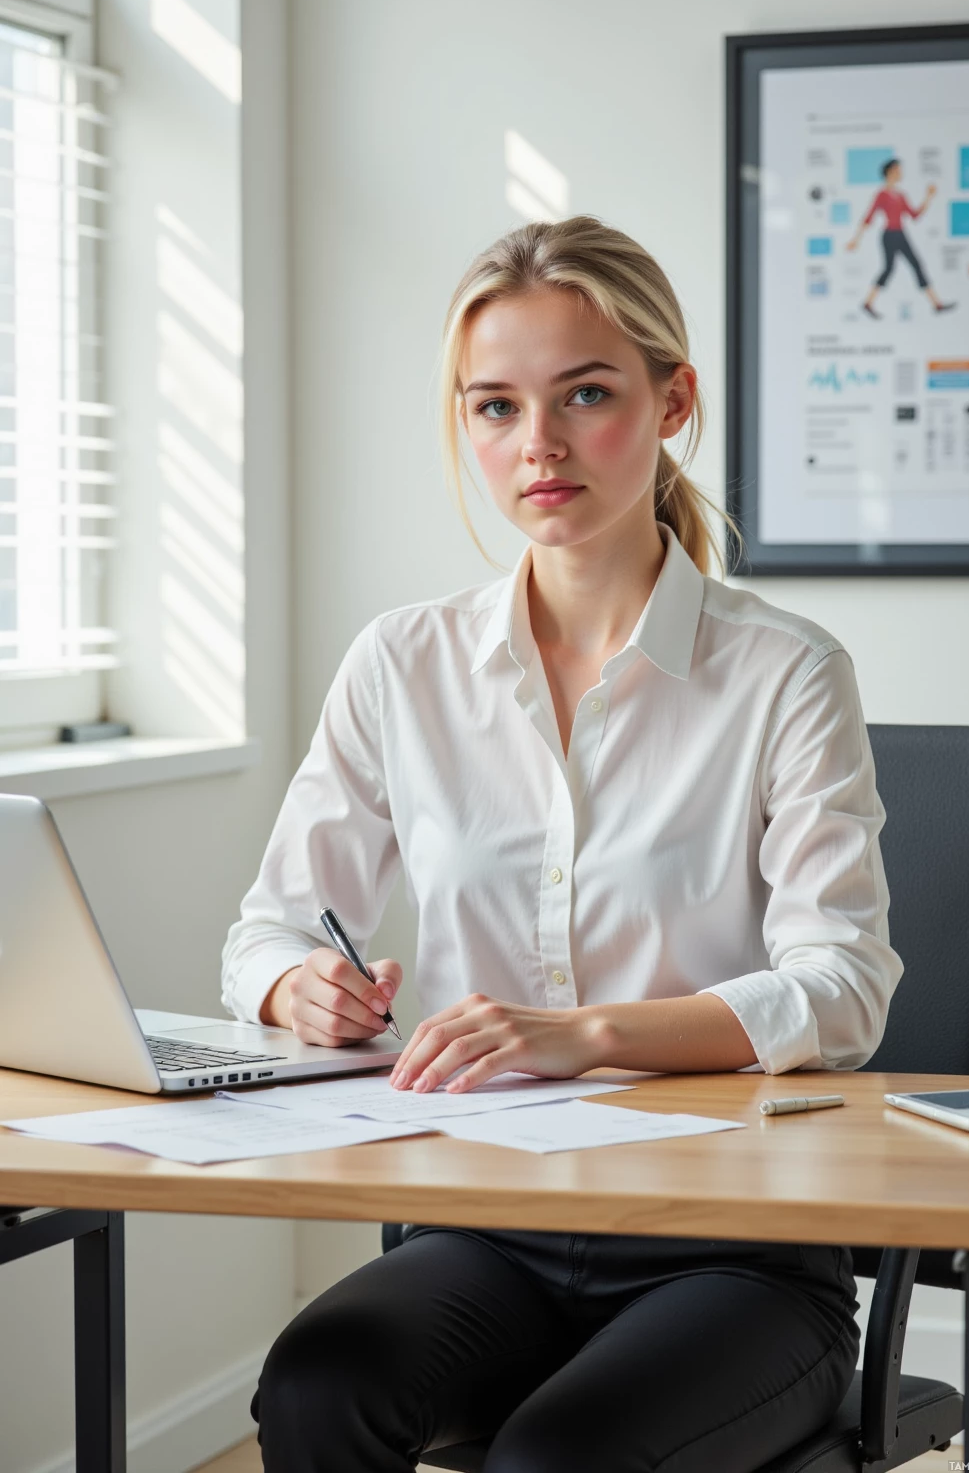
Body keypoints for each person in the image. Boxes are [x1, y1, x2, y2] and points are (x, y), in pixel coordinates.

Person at [222, 215, 903, 1472]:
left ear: (670, 402)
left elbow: (843, 990)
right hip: (482, 1227)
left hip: (735, 1250)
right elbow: (266, 927)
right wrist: (294, 983)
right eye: (493, 407)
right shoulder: (401, 663)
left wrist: (579, 1035)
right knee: (316, 1386)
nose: (534, 445)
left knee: (557, 1458)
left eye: (584, 394)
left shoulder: (786, 672)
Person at [847, 156, 955, 318]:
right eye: (897, 170)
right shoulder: (882, 194)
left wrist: (928, 197)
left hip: (901, 234)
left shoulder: (900, 195)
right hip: (889, 235)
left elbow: (915, 215)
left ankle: (936, 304)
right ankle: (868, 302)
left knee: (916, 265)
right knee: (888, 269)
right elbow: (869, 217)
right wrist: (856, 239)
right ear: (890, 172)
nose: (900, 173)